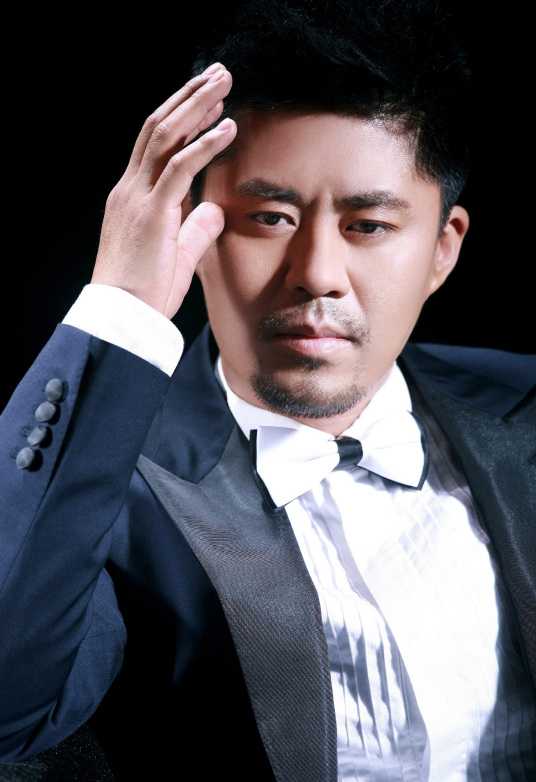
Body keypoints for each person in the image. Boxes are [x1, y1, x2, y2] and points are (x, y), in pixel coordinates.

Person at [1, 1, 535, 780]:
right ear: (194, 230)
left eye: (368, 226)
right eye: (270, 217)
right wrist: (120, 305)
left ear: (441, 251)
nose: (317, 273)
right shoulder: (102, 480)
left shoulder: (524, 406)